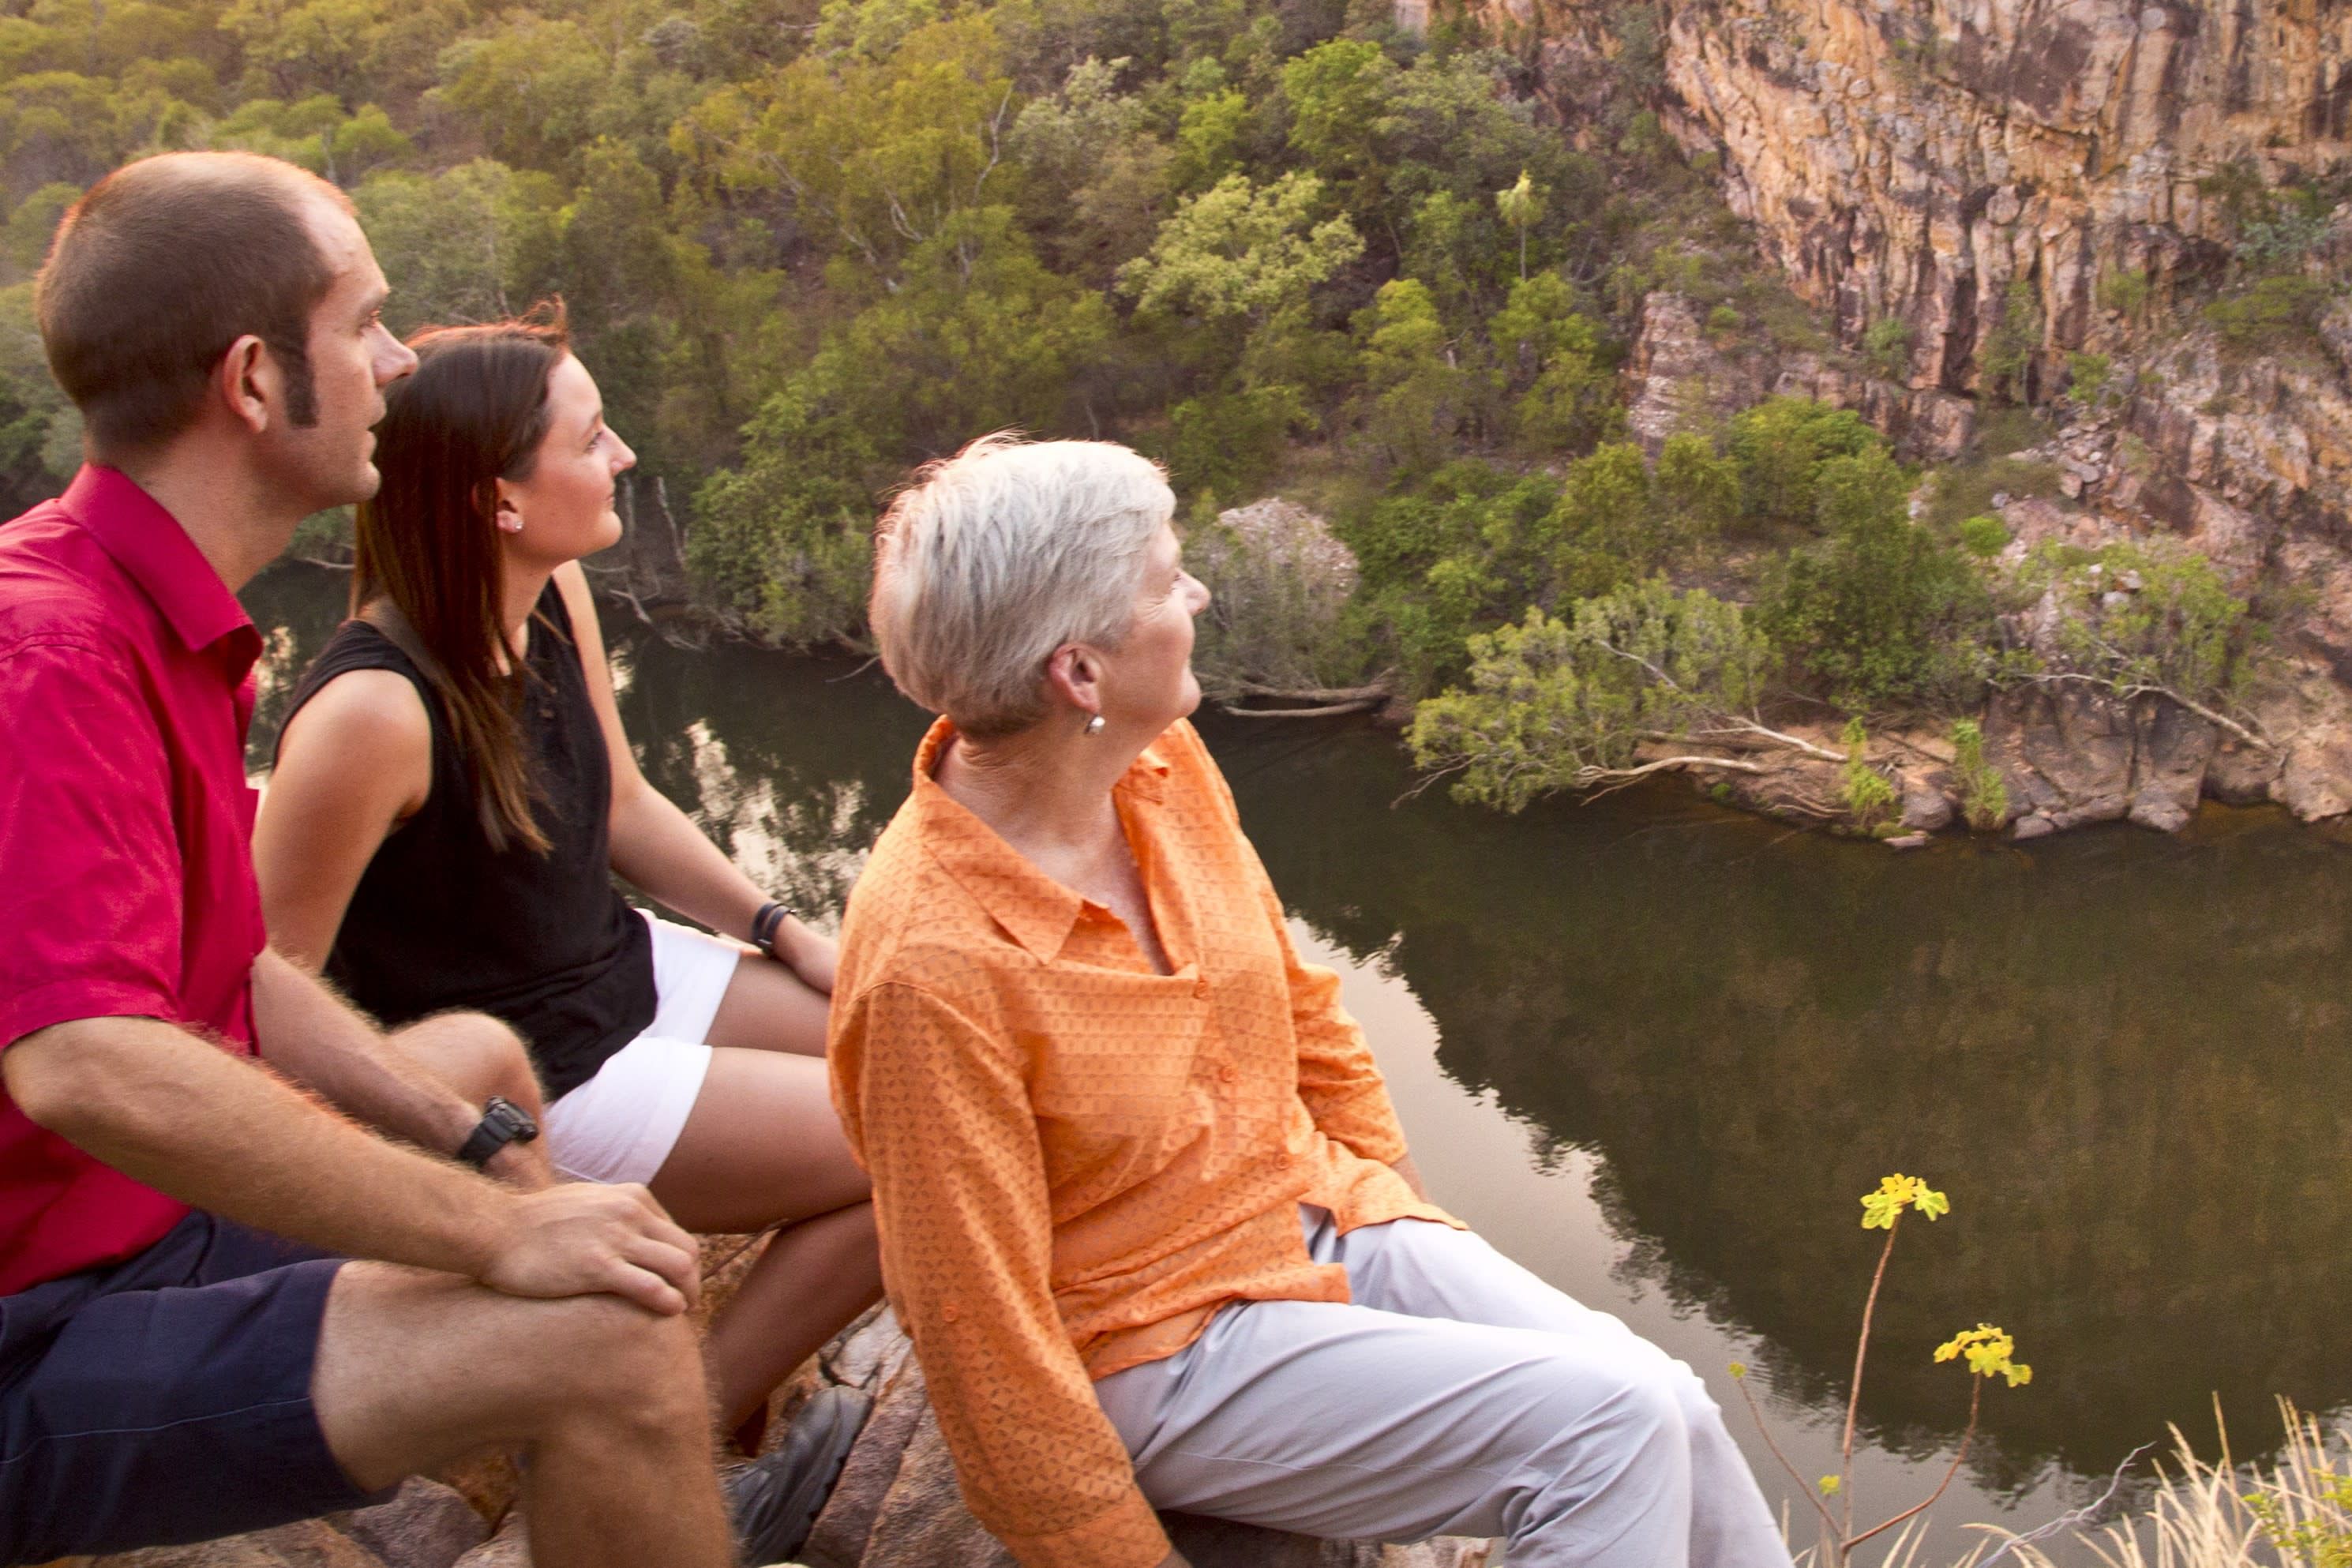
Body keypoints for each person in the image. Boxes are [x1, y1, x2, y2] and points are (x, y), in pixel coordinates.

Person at [0, 151, 845, 1567]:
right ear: (254, 381)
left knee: (483, 1073)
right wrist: (491, 1234)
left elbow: (240, 973)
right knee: (609, 1330)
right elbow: (85, 1062)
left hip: (150, 1236)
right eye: (365, 322)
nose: (399, 361)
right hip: (43, 1316)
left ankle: (607, 1484)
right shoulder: (50, 653)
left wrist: (488, 1155)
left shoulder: (163, 625)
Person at [827, 433, 1799, 1568]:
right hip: (1152, 1339)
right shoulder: (931, 966)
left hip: (1311, 1206)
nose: (1198, 594)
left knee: (1669, 1397)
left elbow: (1300, 1010)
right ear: (1078, 673)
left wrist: (1404, 1215)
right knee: (1608, 1430)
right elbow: (975, 1333)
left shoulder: (1161, 765)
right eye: (1165, 583)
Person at [253, 304, 882, 1448]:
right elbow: (264, 979)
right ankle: (677, 1433)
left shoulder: (544, 591)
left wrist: (783, 927)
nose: (624, 455)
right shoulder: (370, 713)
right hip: (544, 1069)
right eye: (592, 439)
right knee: (915, 1145)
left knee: (924, 1049)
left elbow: (626, 807)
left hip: (618, 964)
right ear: (497, 498)